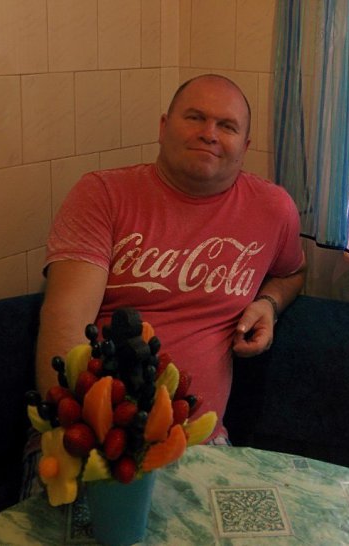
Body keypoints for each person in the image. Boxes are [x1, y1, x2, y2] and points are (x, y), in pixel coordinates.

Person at [35, 73, 305, 446]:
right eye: (195, 117)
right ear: (163, 127)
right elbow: (65, 325)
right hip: (92, 432)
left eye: (227, 126)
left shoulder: (274, 209)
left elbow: (293, 273)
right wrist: (86, 433)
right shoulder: (102, 195)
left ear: (245, 146)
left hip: (203, 443)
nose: (209, 134)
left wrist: (268, 304)